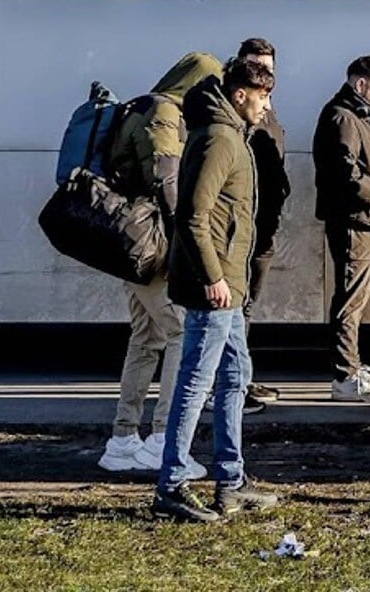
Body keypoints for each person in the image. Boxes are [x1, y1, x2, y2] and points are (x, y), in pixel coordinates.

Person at [151, 61, 279, 522]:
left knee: (235, 376)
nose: (268, 105)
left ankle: (231, 481)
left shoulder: (226, 134)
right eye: (263, 95)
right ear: (241, 95)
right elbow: (192, 215)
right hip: (217, 287)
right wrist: (213, 277)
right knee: (196, 382)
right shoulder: (219, 139)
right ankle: (172, 485)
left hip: (229, 286)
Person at [98, 51, 224, 474]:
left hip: (129, 243)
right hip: (152, 243)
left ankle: (122, 438)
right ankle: (163, 440)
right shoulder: (165, 112)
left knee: (145, 337)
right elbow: (167, 180)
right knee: (179, 334)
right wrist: (182, 245)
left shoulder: (140, 105)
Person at [312, 55, 370, 403]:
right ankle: (345, 376)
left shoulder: (352, 116)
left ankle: (352, 366)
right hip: (353, 220)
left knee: (355, 298)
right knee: (350, 299)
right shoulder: (343, 118)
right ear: (360, 84)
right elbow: (347, 174)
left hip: (360, 219)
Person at [236, 39, 289, 412]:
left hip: (262, 227)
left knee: (246, 308)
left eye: (267, 66)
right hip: (245, 229)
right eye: (255, 64)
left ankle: (240, 378)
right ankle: (232, 386)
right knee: (236, 310)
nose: (262, 72)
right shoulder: (237, 121)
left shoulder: (267, 114)